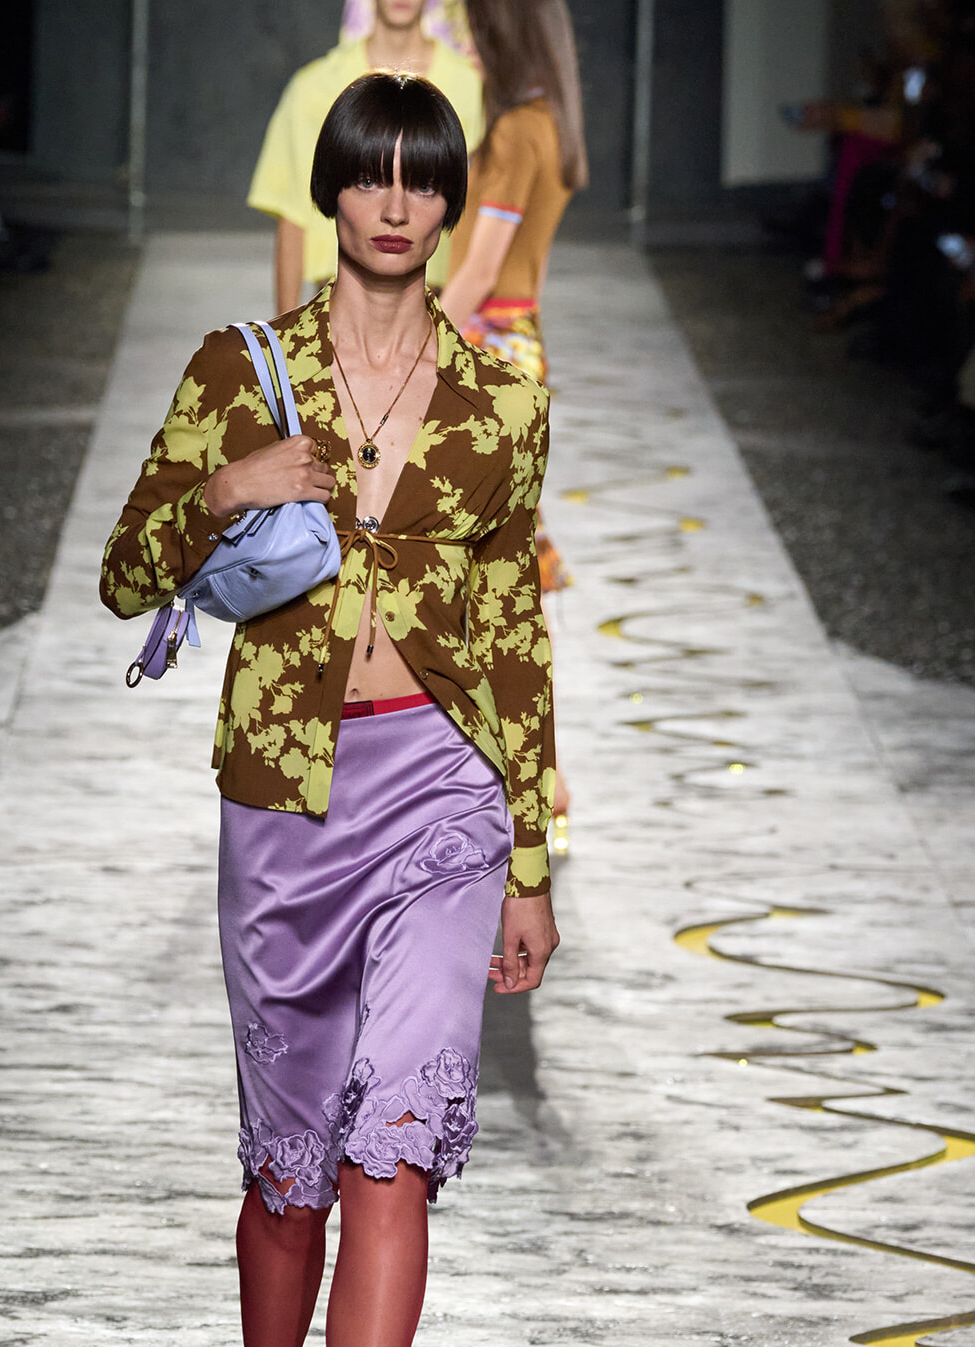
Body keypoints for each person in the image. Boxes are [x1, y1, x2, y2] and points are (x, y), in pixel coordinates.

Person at [102, 72, 558, 1347]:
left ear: (445, 204)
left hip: (443, 785)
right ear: (333, 192)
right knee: (290, 1175)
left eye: (417, 181)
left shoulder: (503, 393)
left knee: (393, 1155)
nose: (391, 205)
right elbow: (125, 570)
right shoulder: (244, 370)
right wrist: (228, 488)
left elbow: (512, 628)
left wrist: (533, 856)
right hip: (286, 799)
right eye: (364, 177)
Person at [440, 0, 587, 815]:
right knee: (502, 574)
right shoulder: (547, 128)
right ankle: (536, 775)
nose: (461, 37)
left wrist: (406, 348)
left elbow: (480, 269)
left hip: (486, 354)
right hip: (516, 345)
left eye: (468, 21)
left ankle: (533, 778)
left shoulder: (513, 135)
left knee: (486, 580)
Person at [248, 0, 482, 313]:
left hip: (439, 310)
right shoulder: (314, 87)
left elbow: (482, 210)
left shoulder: (471, 88)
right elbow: (293, 214)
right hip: (336, 310)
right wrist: (285, 335)